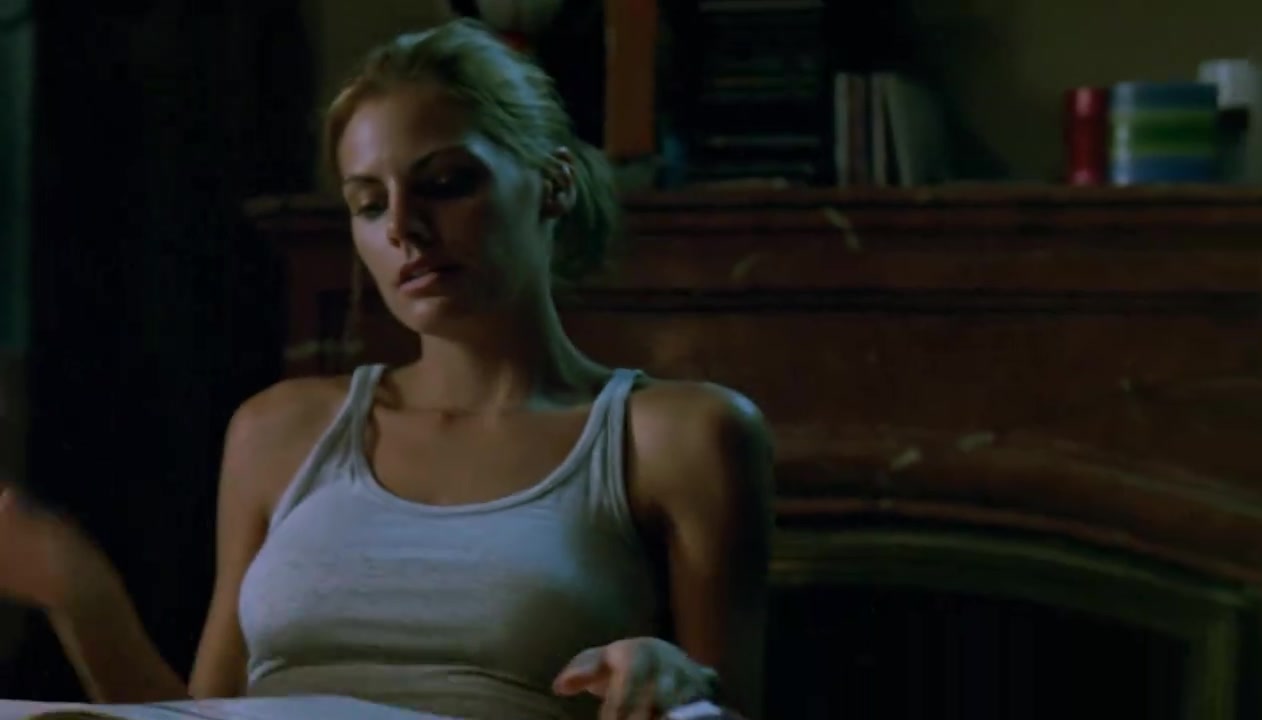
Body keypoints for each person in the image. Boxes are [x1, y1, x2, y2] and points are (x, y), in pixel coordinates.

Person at [0, 18, 773, 720]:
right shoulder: (280, 429)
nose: (403, 227)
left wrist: (674, 680)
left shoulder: (679, 436)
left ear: (554, 182)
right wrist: (80, 594)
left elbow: (724, 706)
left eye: (445, 183)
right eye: (369, 203)